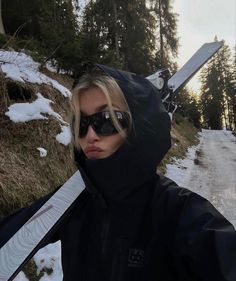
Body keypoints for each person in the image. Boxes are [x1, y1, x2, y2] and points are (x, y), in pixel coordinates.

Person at [1, 64, 236, 281]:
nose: (90, 134)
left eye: (106, 119)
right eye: (82, 123)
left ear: (137, 127)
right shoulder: (69, 203)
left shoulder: (179, 212)